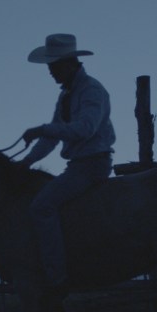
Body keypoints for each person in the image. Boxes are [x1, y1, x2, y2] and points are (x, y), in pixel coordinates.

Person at [18, 33, 116, 291]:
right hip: (81, 165)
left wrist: (41, 129)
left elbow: (85, 128)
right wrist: (27, 161)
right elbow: (53, 136)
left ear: (69, 63)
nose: (50, 71)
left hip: (91, 164)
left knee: (42, 207)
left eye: (54, 65)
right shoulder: (68, 95)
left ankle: (56, 276)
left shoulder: (92, 90)